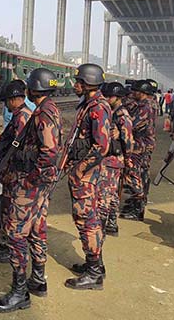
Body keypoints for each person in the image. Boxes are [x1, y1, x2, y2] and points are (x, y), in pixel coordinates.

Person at [0, 68, 61, 313]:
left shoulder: (42, 114)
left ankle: (20, 292)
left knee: (16, 233)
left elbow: (49, 152)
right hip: (40, 184)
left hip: (30, 184)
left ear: (32, 89)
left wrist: (31, 179)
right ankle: (38, 280)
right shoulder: (48, 109)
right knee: (37, 229)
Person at [64, 63, 111, 290]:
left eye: (78, 81)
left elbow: (101, 146)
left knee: (86, 221)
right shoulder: (89, 104)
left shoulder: (98, 108)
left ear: (88, 83)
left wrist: (79, 169)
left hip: (86, 176)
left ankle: (94, 274)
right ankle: (95, 264)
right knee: (88, 219)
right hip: (84, 172)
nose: (75, 85)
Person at [0, 80, 33, 232]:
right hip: (6, 162)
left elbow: (19, 144)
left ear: (13, 100)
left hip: (12, 166)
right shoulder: (20, 114)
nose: (6, 106)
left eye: (6, 102)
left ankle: (3, 226)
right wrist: (1, 137)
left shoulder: (22, 116)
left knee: (4, 195)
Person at [99, 82, 133, 237]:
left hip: (113, 160)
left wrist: (128, 160)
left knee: (104, 196)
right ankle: (112, 224)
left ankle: (102, 227)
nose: (106, 98)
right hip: (111, 159)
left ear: (118, 97)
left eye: (109, 96)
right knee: (112, 194)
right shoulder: (112, 112)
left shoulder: (122, 115)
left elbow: (128, 141)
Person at [120, 80, 156, 221]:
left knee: (134, 175)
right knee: (140, 174)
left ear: (142, 93)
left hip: (140, 146)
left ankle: (137, 208)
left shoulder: (145, 107)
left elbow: (133, 124)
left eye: (135, 91)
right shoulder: (145, 104)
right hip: (142, 144)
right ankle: (137, 202)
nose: (132, 93)